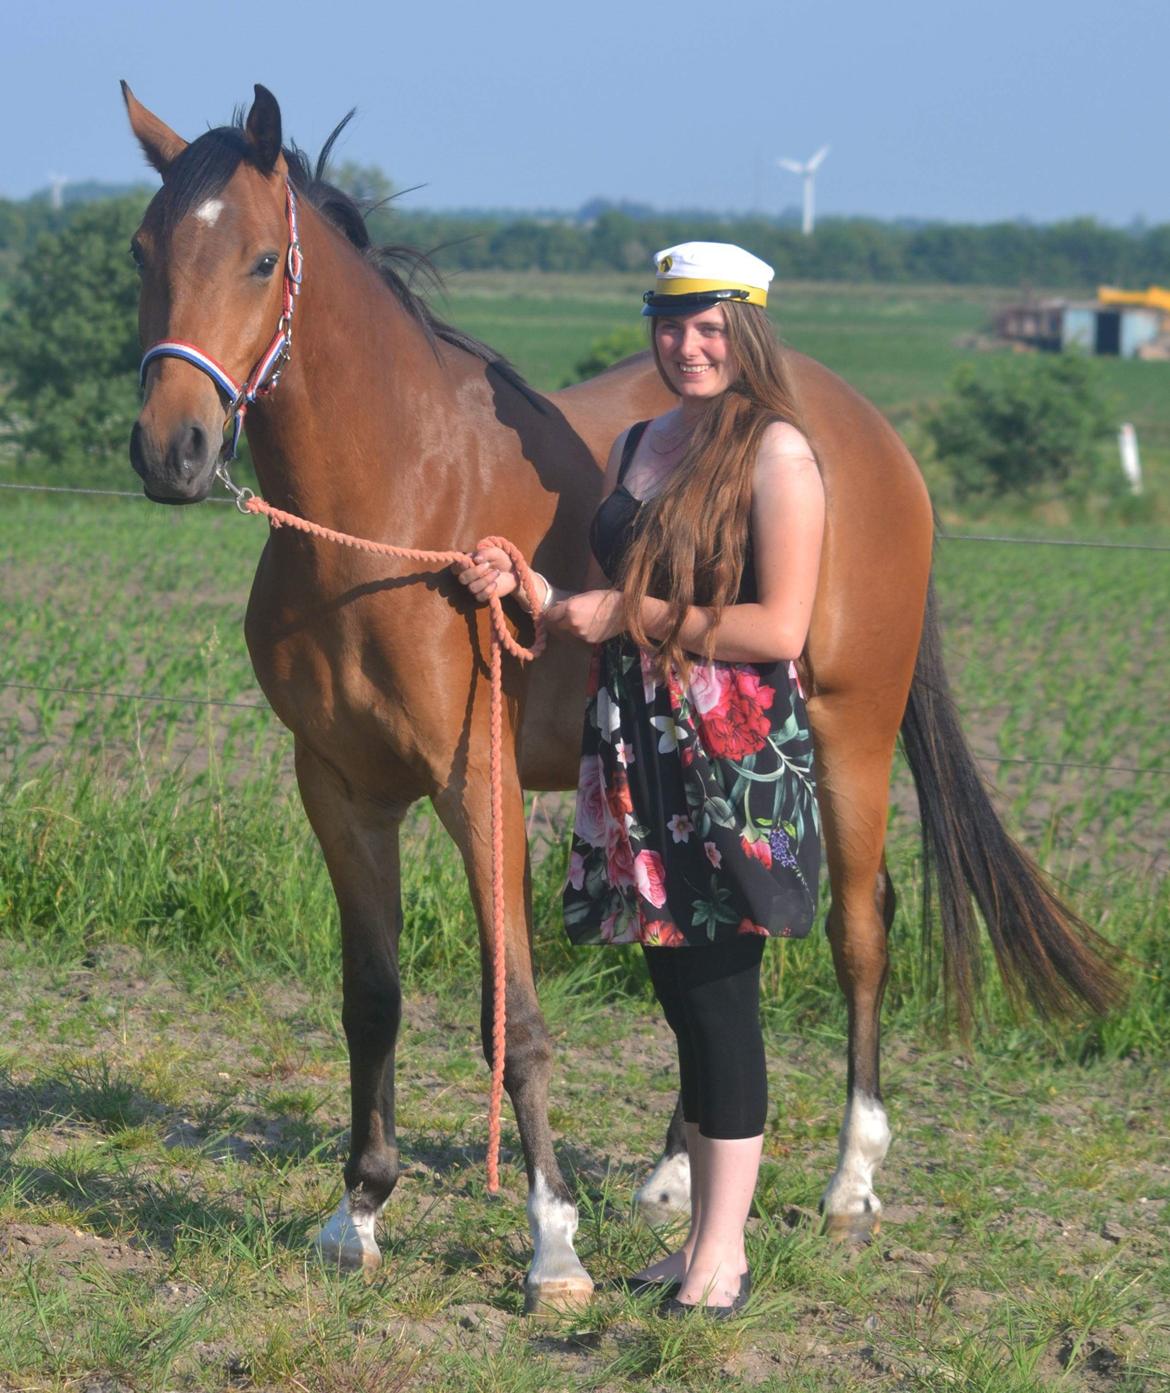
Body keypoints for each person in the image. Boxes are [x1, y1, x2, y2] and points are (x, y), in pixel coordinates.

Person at [453, 242, 824, 1315]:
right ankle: (699, 1241)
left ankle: (723, 1255)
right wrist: (528, 586)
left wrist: (632, 614)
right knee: (678, 994)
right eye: (670, 324)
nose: (687, 345)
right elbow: (603, 597)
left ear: (747, 331)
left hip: (730, 756)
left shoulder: (777, 453)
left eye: (709, 327)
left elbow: (779, 628)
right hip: (637, 744)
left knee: (721, 998)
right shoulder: (635, 443)